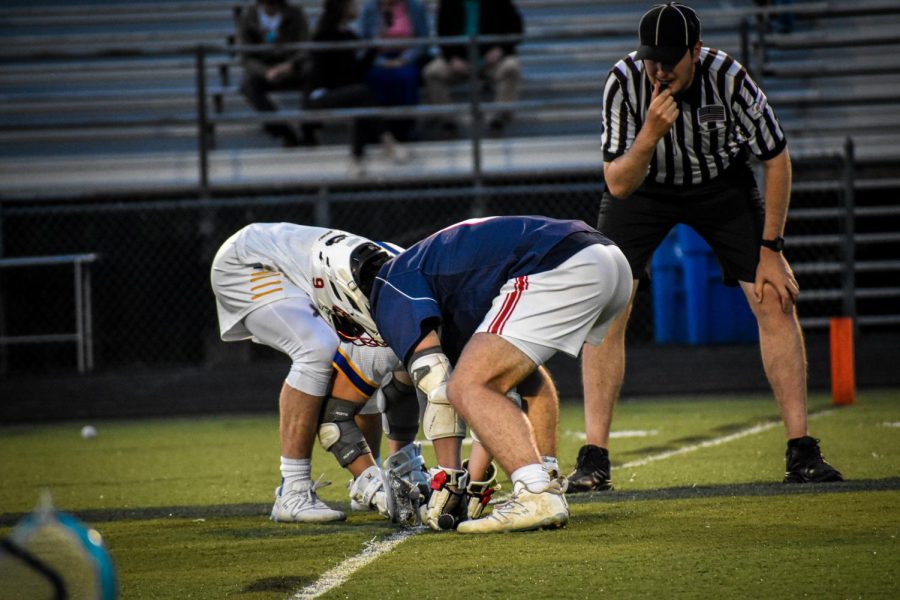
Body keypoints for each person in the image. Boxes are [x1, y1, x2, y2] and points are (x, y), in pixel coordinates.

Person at [567, 2, 843, 494]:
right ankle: (594, 458)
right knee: (606, 307)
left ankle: (802, 449)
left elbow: (776, 159)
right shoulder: (624, 81)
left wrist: (771, 248)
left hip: (721, 185)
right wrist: (650, 133)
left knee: (774, 296)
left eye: (671, 59)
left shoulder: (729, 78)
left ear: (696, 51)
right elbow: (617, 182)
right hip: (644, 187)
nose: (659, 69)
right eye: (652, 58)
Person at [315, 215, 633, 533]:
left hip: (560, 262)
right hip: (606, 258)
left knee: (465, 387)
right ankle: (544, 477)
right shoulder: (440, 279)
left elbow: (437, 382)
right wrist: (475, 482)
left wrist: (449, 480)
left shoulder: (390, 283)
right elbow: (523, 388)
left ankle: (536, 492)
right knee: (509, 380)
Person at [210, 222, 426, 523]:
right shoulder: (397, 296)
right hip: (248, 262)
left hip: (303, 267)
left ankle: (372, 475)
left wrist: (393, 469)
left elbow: (389, 382)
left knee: (365, 363)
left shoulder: (409, 284)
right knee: (316, 349)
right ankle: (293, 490)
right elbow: (338, 415)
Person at [306, 0, 409, 176]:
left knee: (362, 98)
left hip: (345, 93)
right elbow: (322, 75)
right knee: (362, 94)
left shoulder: (349, 35)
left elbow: (356, 71)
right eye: (353, 5)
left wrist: (376, 46)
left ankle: (357, 158)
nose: (357, 8)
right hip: (320, 95)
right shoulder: (324, 35)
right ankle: (387, 142)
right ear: (342, 8)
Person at [424, 0, 523, 135]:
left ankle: (498, 120)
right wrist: (451, 58)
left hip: (492, 61)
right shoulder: (447, 3)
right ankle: (447, 121)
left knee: (511, 67)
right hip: (459, 60)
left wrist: (501, 50)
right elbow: (441, 36)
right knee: (432, 72)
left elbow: (517, 30)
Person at [237, 0, 314, 147]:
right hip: (265, 69)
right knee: (248, 84)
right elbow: (246, 58)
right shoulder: (248, 17)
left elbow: (305, 47)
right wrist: (266, 71)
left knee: (312, 73)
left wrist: (290, 65)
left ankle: (308, 129)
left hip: (292, 67)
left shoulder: (296, 13)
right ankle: (284, 131)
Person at [358, 0, 431, 142]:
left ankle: (406, 127)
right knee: (374, 78)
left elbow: (423, 41)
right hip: (378, 58)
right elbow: (362, 42)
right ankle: (380, 129)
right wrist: (381, 61)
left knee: (407, 77)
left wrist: (404, 59)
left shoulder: (415, 7)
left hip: (406, 56)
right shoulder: (369, 8)